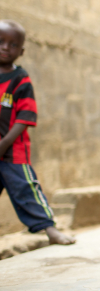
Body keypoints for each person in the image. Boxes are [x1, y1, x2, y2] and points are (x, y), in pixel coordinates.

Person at [0, 19, 75, 245]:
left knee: (26, 190)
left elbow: (25, 118)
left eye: (12, 45)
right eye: (1, 41)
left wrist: (3, 145)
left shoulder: (20, 80)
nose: (5, 47)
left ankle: (50, 230)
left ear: (21, 51)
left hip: (13, 153)